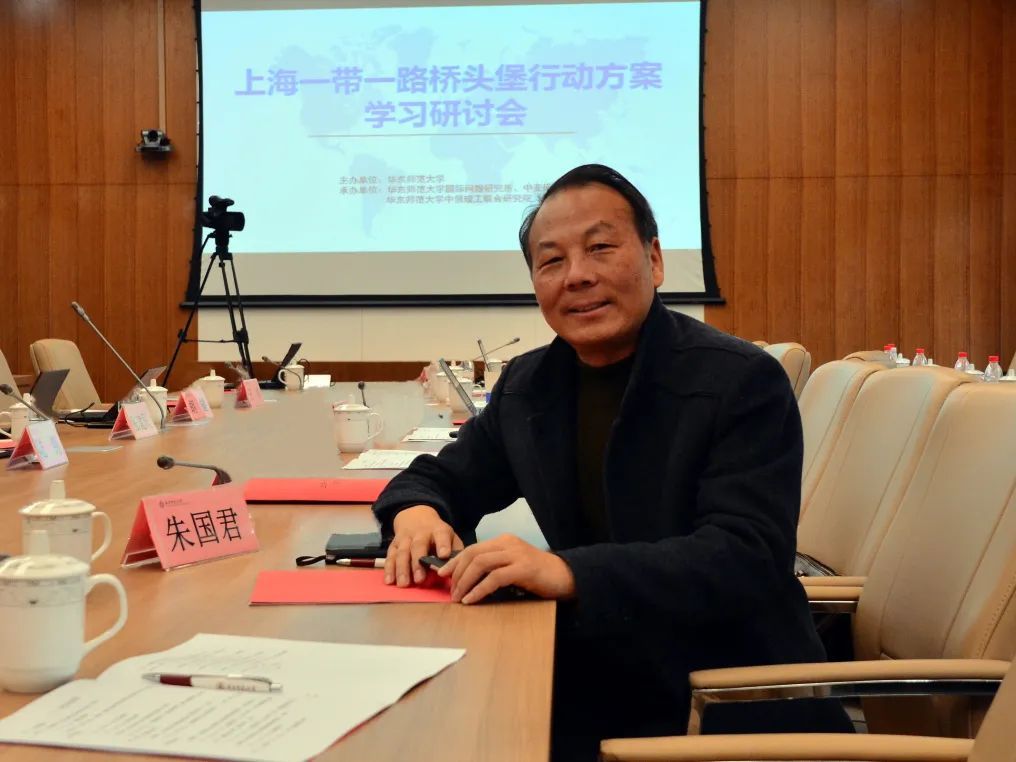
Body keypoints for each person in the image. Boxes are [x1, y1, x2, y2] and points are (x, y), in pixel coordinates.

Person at [373, 164, 850, 759]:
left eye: (600, 248)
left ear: (654, 259)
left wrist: (569, 572)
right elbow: (439, 478)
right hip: (600, 668)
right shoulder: (531, 385)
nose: (577, 275)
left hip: (725, 693)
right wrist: (417, 513)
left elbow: (744, 556)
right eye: (551, 261)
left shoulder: (739, 380)